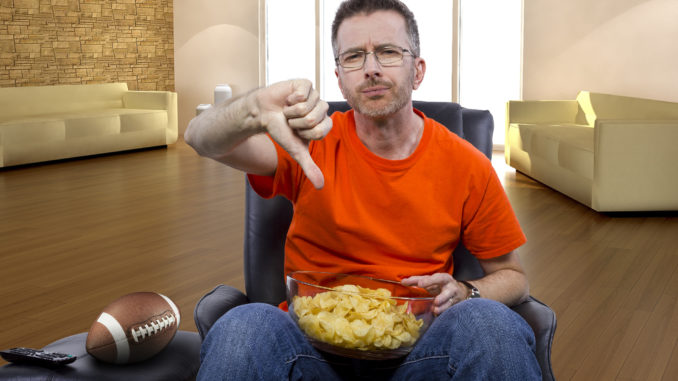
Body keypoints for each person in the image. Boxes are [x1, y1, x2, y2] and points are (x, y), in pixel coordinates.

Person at [185, 0, 541, 379]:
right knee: (244, 325)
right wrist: (252, 109)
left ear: (417, 70)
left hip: (420, 353)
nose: (371, 69)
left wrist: (466, 291)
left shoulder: (468, 165)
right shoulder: (307, 143)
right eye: (354, 56)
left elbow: (514, 278)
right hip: (306, 352)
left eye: (388, 52)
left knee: (490, 323)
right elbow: (200, 138)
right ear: (340, 78)